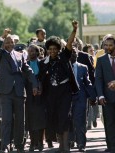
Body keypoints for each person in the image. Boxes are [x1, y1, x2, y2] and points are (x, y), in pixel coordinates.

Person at [0, 29, 38, 153]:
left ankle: (19, 145)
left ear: (14, 43)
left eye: (11, 42)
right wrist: (3, 37)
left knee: (20, 120)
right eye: (6, 42)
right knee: (6, 119)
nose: (9, 44)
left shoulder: (20, 55)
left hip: (19, 91)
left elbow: (27, 70)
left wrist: (34, 84)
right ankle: (5, 145)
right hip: (6, 92)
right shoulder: (0, 54)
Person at [39, 21, 79, 152]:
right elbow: (41, 79)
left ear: (58, 48)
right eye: (50, 49)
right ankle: (60, 144)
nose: (52, 51)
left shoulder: (64, 56)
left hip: (65, 92)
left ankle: (65, 146)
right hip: (51, 93)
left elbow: (69, 43)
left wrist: (74, 30)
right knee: (54, 118)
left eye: (54, 49)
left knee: (64, 117)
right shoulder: (44, 62)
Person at [69, 46, 96, 152]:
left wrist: (92, 96)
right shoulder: (64, 67)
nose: (72, 55)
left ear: (77, 54)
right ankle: (70, 140)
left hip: (81, 97)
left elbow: (88, 83)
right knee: (69, 120)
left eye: (74, 53)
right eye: (70, 53)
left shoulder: (83, 67)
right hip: (67, 98)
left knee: (80, 121)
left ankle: (81, 144)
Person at [25, 44, 46, 152]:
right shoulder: (25, 64)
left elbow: (44, 77)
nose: (31, 53)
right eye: (29, 51)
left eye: (33, 51)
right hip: (29, 94)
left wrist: (40, 86)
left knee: (41, 118)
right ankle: (33, 142)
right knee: (31, 118)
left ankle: (41, 142)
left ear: (37, 53)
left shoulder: (42, 63)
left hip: (41, 94)